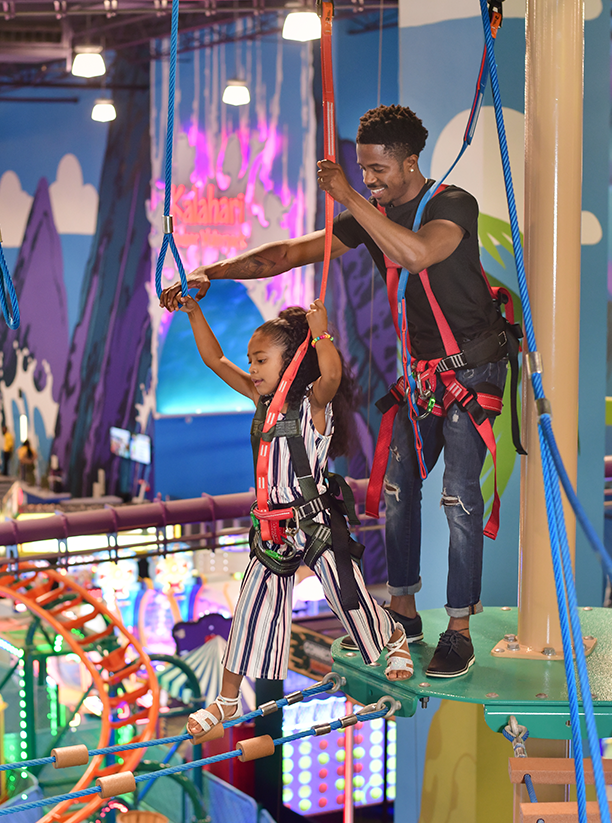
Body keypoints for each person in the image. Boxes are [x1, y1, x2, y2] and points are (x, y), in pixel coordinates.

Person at [161, 105, 511, 679]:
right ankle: (403, 608)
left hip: (473, 373)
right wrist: (211, 273)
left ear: (410, 162)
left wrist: (349, 196)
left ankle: (459, 626)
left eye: (378, 171)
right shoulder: (372, 214)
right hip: (424, 374)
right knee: (395, 490)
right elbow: (287, 255)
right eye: (363, 171)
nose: (370, 180)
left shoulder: (452, 205)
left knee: (459, 499)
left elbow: (415, 254)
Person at [175, 296, 412, 735]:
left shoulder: (312, 403)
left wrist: (320, 331)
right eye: (252, 360)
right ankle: (227, 699)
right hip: (271, 527)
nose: (253, 368)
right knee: (250, 609)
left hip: (313, 520)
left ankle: (393, 636)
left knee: (347, 596)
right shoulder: (259, 399)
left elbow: (333, 374)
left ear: (292, 359)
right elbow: (213, 360)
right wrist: (193, 312)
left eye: (262, 359)